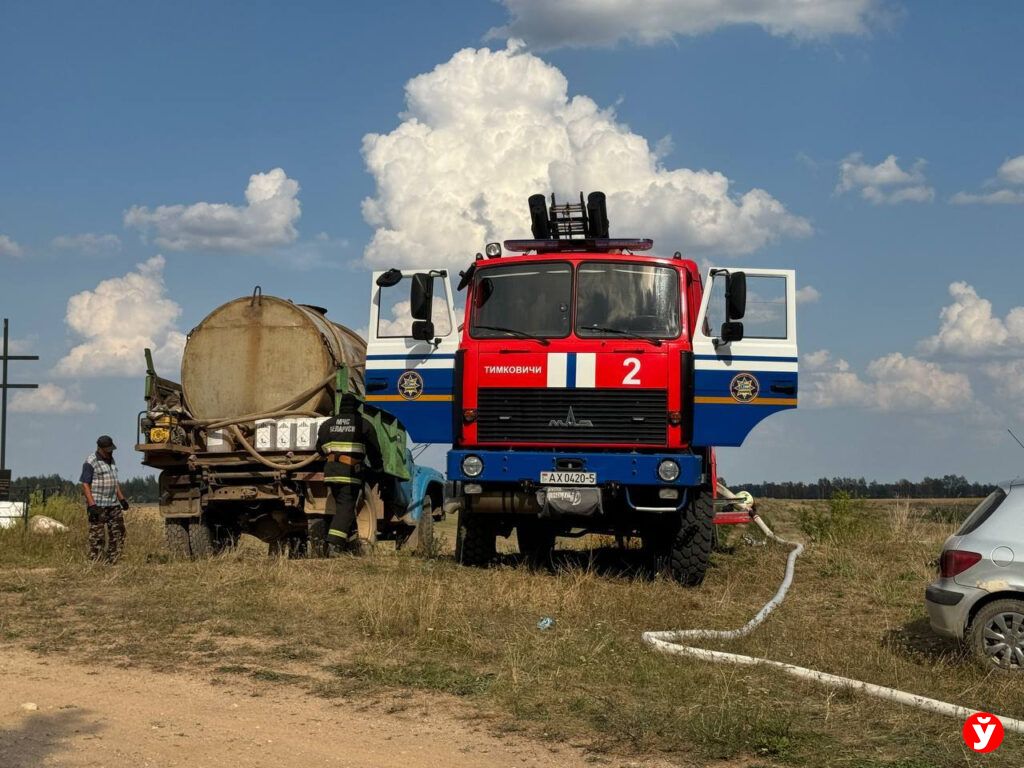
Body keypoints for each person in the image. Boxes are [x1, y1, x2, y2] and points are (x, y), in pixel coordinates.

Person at [316, 393, 370, 553]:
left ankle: (349, 542)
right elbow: (374, 449)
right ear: (356, 407)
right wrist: (378, 468)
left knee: (341, 506)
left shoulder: (327, 424)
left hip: (331, 473)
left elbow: (320, 448)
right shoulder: (363, 424)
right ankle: (333, 545)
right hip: (350, 473)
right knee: (345, 508)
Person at [80, 435, 130, 564]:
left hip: (113, 504)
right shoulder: (90, 462)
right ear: (100, 448)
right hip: (98, 505)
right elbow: (85, 484)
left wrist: (122, 499)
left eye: (111, 449)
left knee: (118, 532)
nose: (110, 451)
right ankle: (96, 562)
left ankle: (113, 560)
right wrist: (92, 506)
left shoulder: (111, 460)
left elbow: (114, 481)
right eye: (107, 449)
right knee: (97, 536)